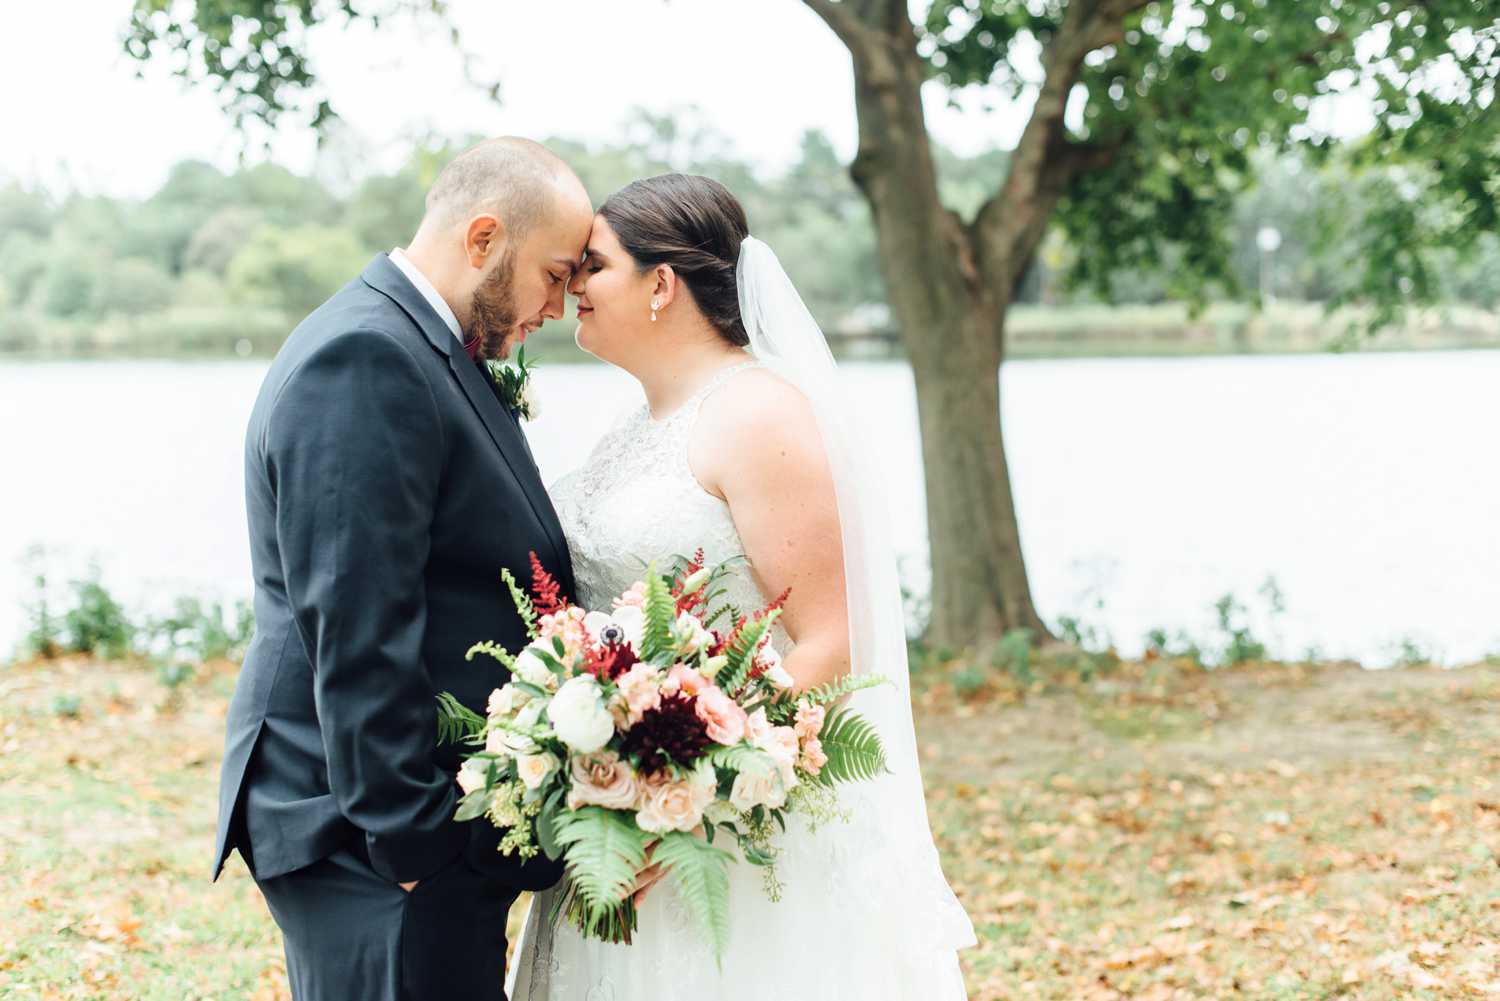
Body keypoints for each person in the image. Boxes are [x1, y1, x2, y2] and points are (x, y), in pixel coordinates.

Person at [509, 173, 975, 1000]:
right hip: (619, 808)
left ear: (662, 283)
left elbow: (830, 639)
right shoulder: (637, 423)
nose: (573, 284)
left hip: (721, 829)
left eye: (595, 266)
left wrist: (681, 785)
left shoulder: (760, 414)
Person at [213, 137, 593, 1001]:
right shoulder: (368, 357)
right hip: (368, 838)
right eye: (556, 273)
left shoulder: (422, 341)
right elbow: (356, 623)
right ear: (485, 237)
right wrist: (413, 848)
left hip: (402, 831)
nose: (561, 304)